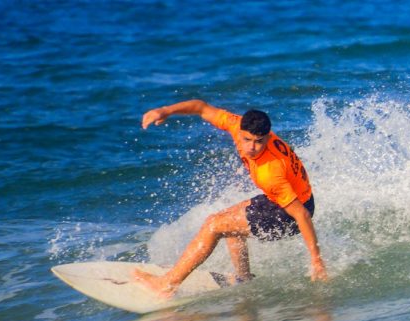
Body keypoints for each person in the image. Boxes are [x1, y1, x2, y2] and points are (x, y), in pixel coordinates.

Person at [134, 99, 328, 298]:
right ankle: (244, 279)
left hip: (291, 214)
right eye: (247, 139)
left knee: (213, 225)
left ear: (268, 137)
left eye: (259, 141)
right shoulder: (236, 125)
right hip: (288, 198)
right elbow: (201, 108)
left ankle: (167, 285)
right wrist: (165, 109)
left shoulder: (269, 172)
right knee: (228, 220)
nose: (252, 147)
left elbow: (301, 214)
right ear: (240, 131)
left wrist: (316, 260)